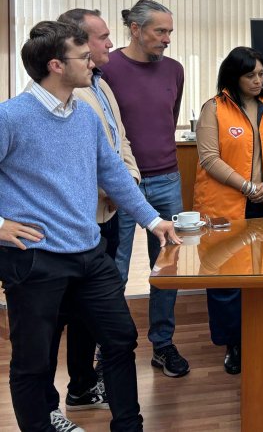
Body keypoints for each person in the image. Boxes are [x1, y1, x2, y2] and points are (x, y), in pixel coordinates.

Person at [0, 21, 179, 432]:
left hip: (88, 252)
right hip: (36, 260)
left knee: (120, 338)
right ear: (56, 65)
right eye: (84, 58)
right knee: (32, 361)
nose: (94, 64)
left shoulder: (83, 114)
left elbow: (113, 173)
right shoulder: (11, 117)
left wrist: (153, 220)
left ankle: (128, 426)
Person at [42, 9, 143, 421]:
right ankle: (46, 409)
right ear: (74, 48)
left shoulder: (102, 86)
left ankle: (82, 386)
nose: (108, 45)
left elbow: (120, 143)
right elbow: (75, 164)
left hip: (105, 220)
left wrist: (130, 183)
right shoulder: (65, 98)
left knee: (91, 314)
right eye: (100, 38)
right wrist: (113, 189)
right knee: (55, 323)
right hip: (70, 229)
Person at [102, 0, 190, 377]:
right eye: (160, 31)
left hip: (167, 178)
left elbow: (168, 119)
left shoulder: (174, 70)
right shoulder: (107, 69)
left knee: (168, 268)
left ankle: (163, 345)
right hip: (123, 183)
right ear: (135, 30)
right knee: (115, 272)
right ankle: (110, 352)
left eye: (170, 31)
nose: (167, 39)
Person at [193, 47, 263, 375]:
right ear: (234, 76)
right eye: (250, 75)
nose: (258, 81)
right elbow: (209, 158)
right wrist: (250, 187)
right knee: (227, 276)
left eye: (261, 74)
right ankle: (233, 343)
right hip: (227, 203)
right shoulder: (215, 108)